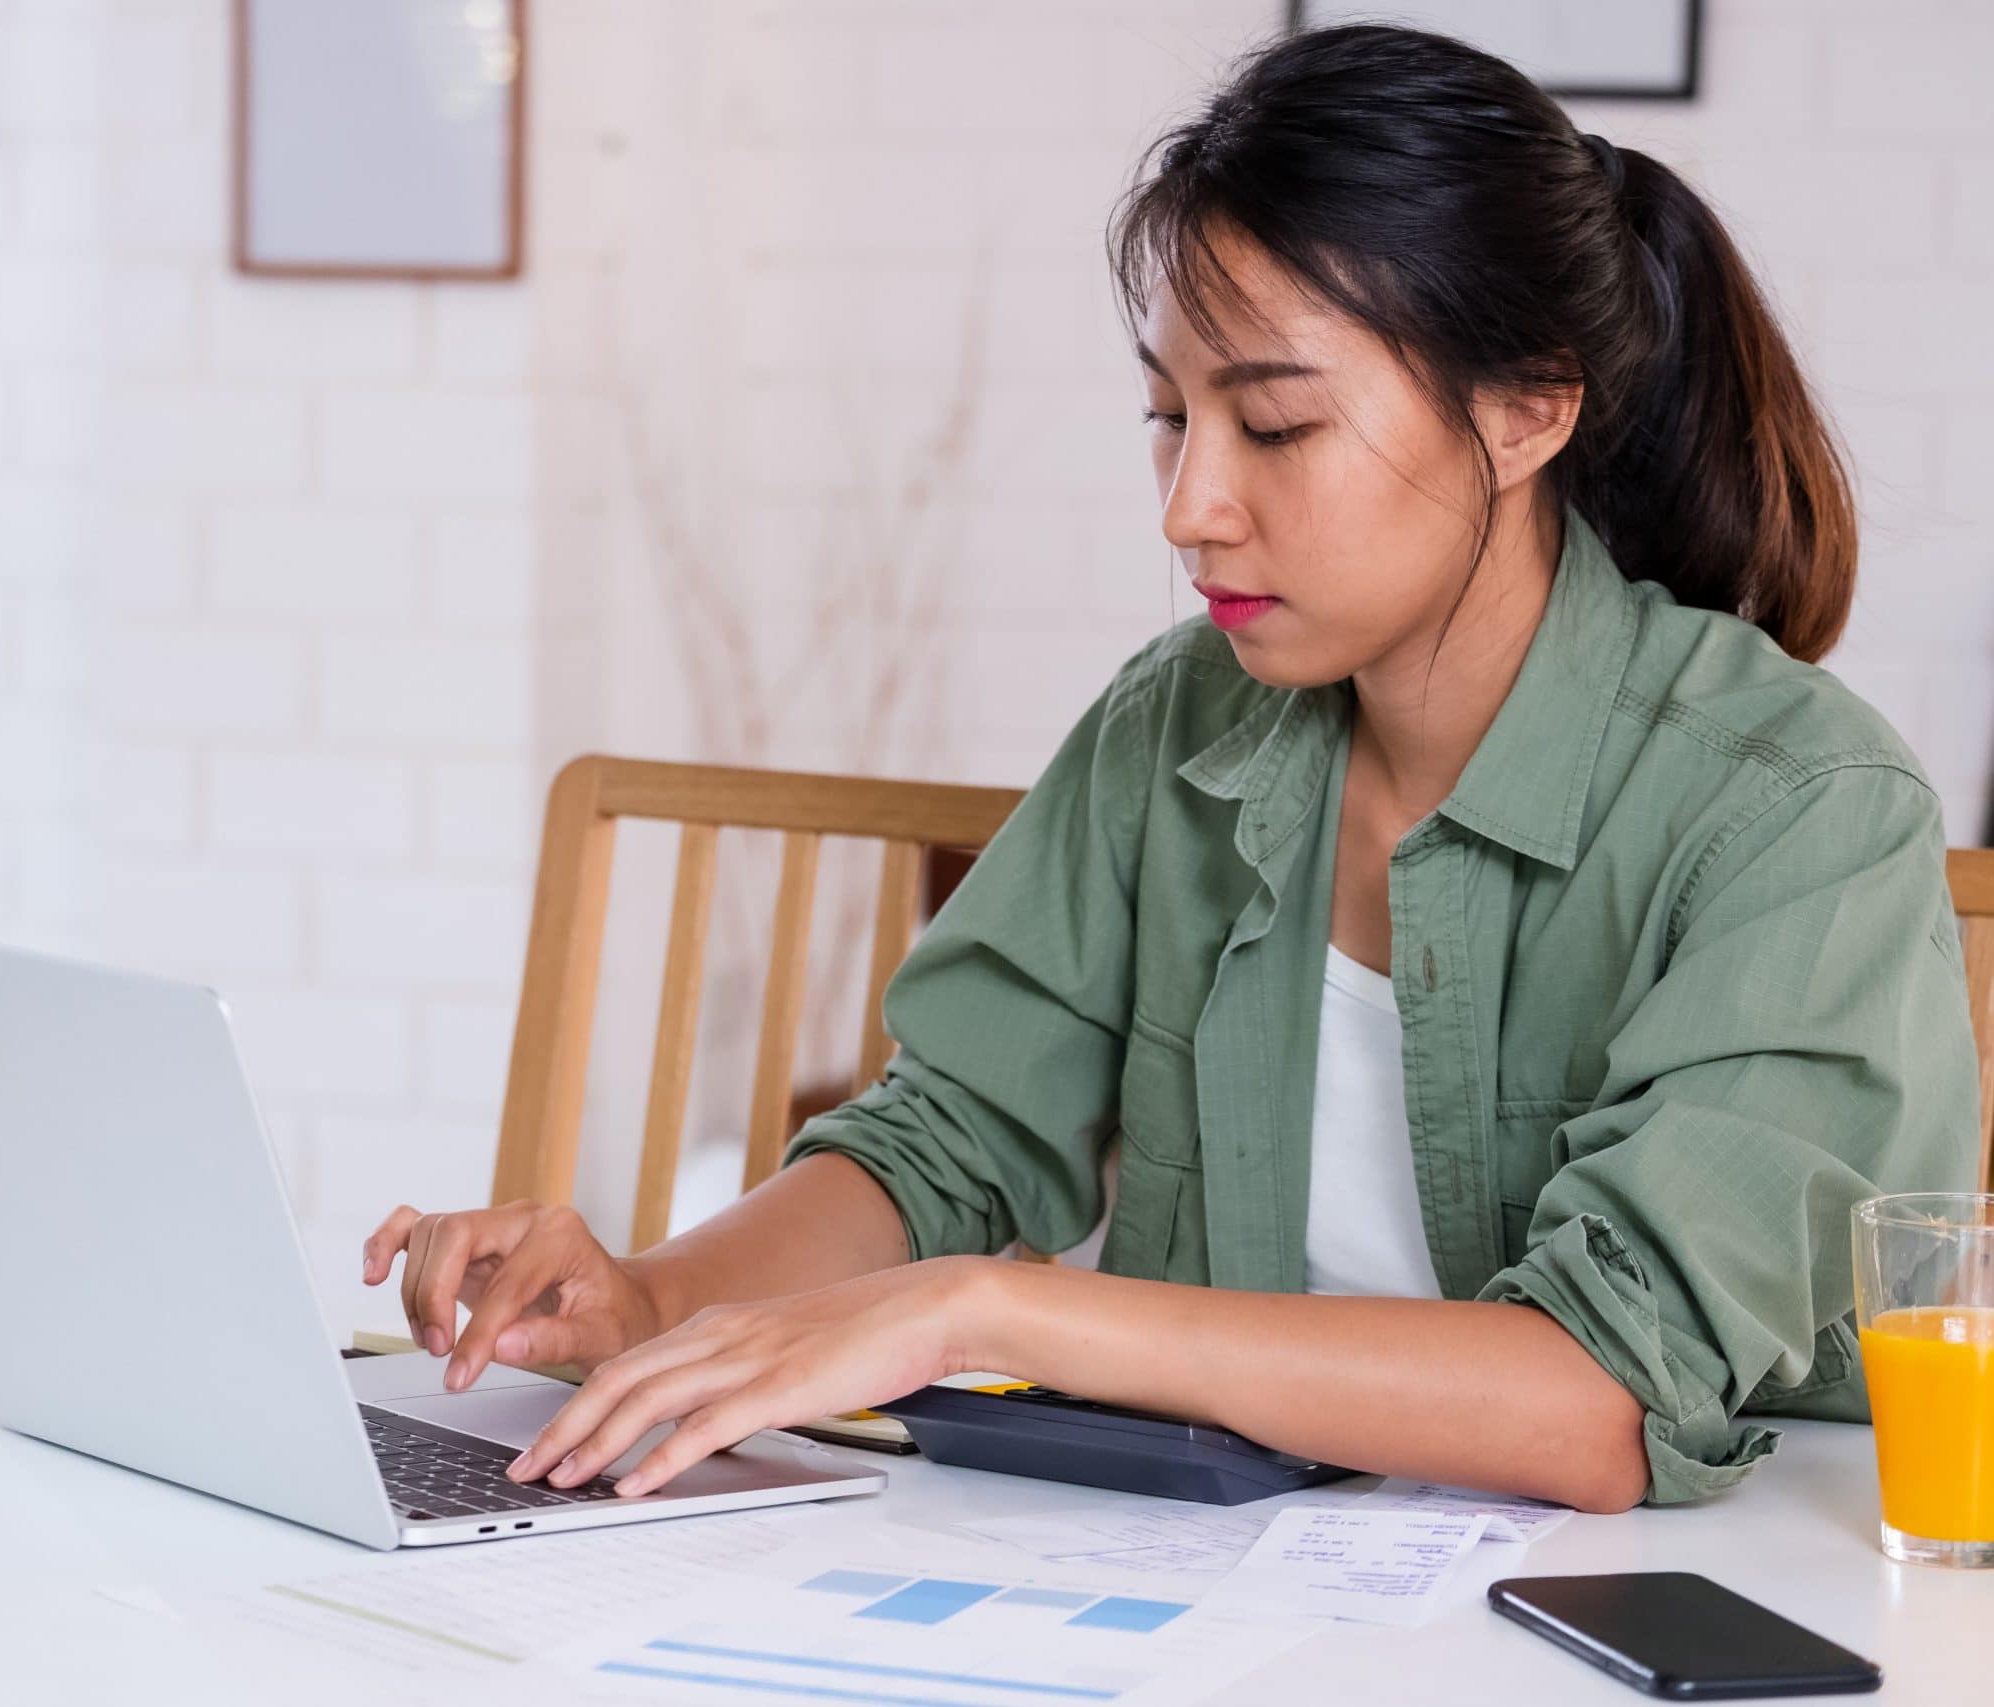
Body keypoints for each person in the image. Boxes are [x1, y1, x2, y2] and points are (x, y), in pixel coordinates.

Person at [361, 23, 1981, 1515]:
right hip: (1234, 1576)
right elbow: (948, 1144)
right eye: (1166, 417)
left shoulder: (1800, 811)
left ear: (1528, 411)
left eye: (1273, 427)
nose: (1190, 504)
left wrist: (998, 1309)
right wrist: (654, 1297)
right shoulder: (1179, 724)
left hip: (1716, 1602)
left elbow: (1601, 1399)